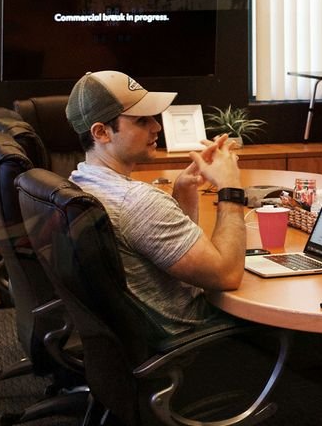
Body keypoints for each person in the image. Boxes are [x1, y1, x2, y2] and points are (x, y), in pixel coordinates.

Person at [65, 70, 247, 335]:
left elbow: (165, 251)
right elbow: (226, 275)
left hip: (139, 339)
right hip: (197, 338)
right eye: (141, 121)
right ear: (102, 132)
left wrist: (183, 191)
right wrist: (230, 188)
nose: (157, 126)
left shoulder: (80, 179)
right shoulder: (136, 202)